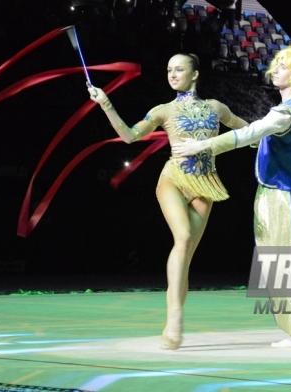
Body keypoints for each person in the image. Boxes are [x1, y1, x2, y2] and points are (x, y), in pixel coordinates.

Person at [172, 44, 291, 348]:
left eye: (284, 65)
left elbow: (251, 134)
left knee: (285, 262)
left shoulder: (288, 111)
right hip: (286, 191)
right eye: (278, 63)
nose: (276, 69)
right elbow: (259, 136)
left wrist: (201, 146)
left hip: (281, 194)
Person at [87, 53, 248, 349]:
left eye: (179, 69)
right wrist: (105, 103)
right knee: (183, 237)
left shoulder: (216, 108)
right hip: (173, 179)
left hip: (205, 184)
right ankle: (174, 321)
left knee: (185, 256)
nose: (172, 74)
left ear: (195, 74)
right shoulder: (163, 111)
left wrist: (276, 135)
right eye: (169, 69)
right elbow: (130, 136)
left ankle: (175, 319)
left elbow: (248, 133)